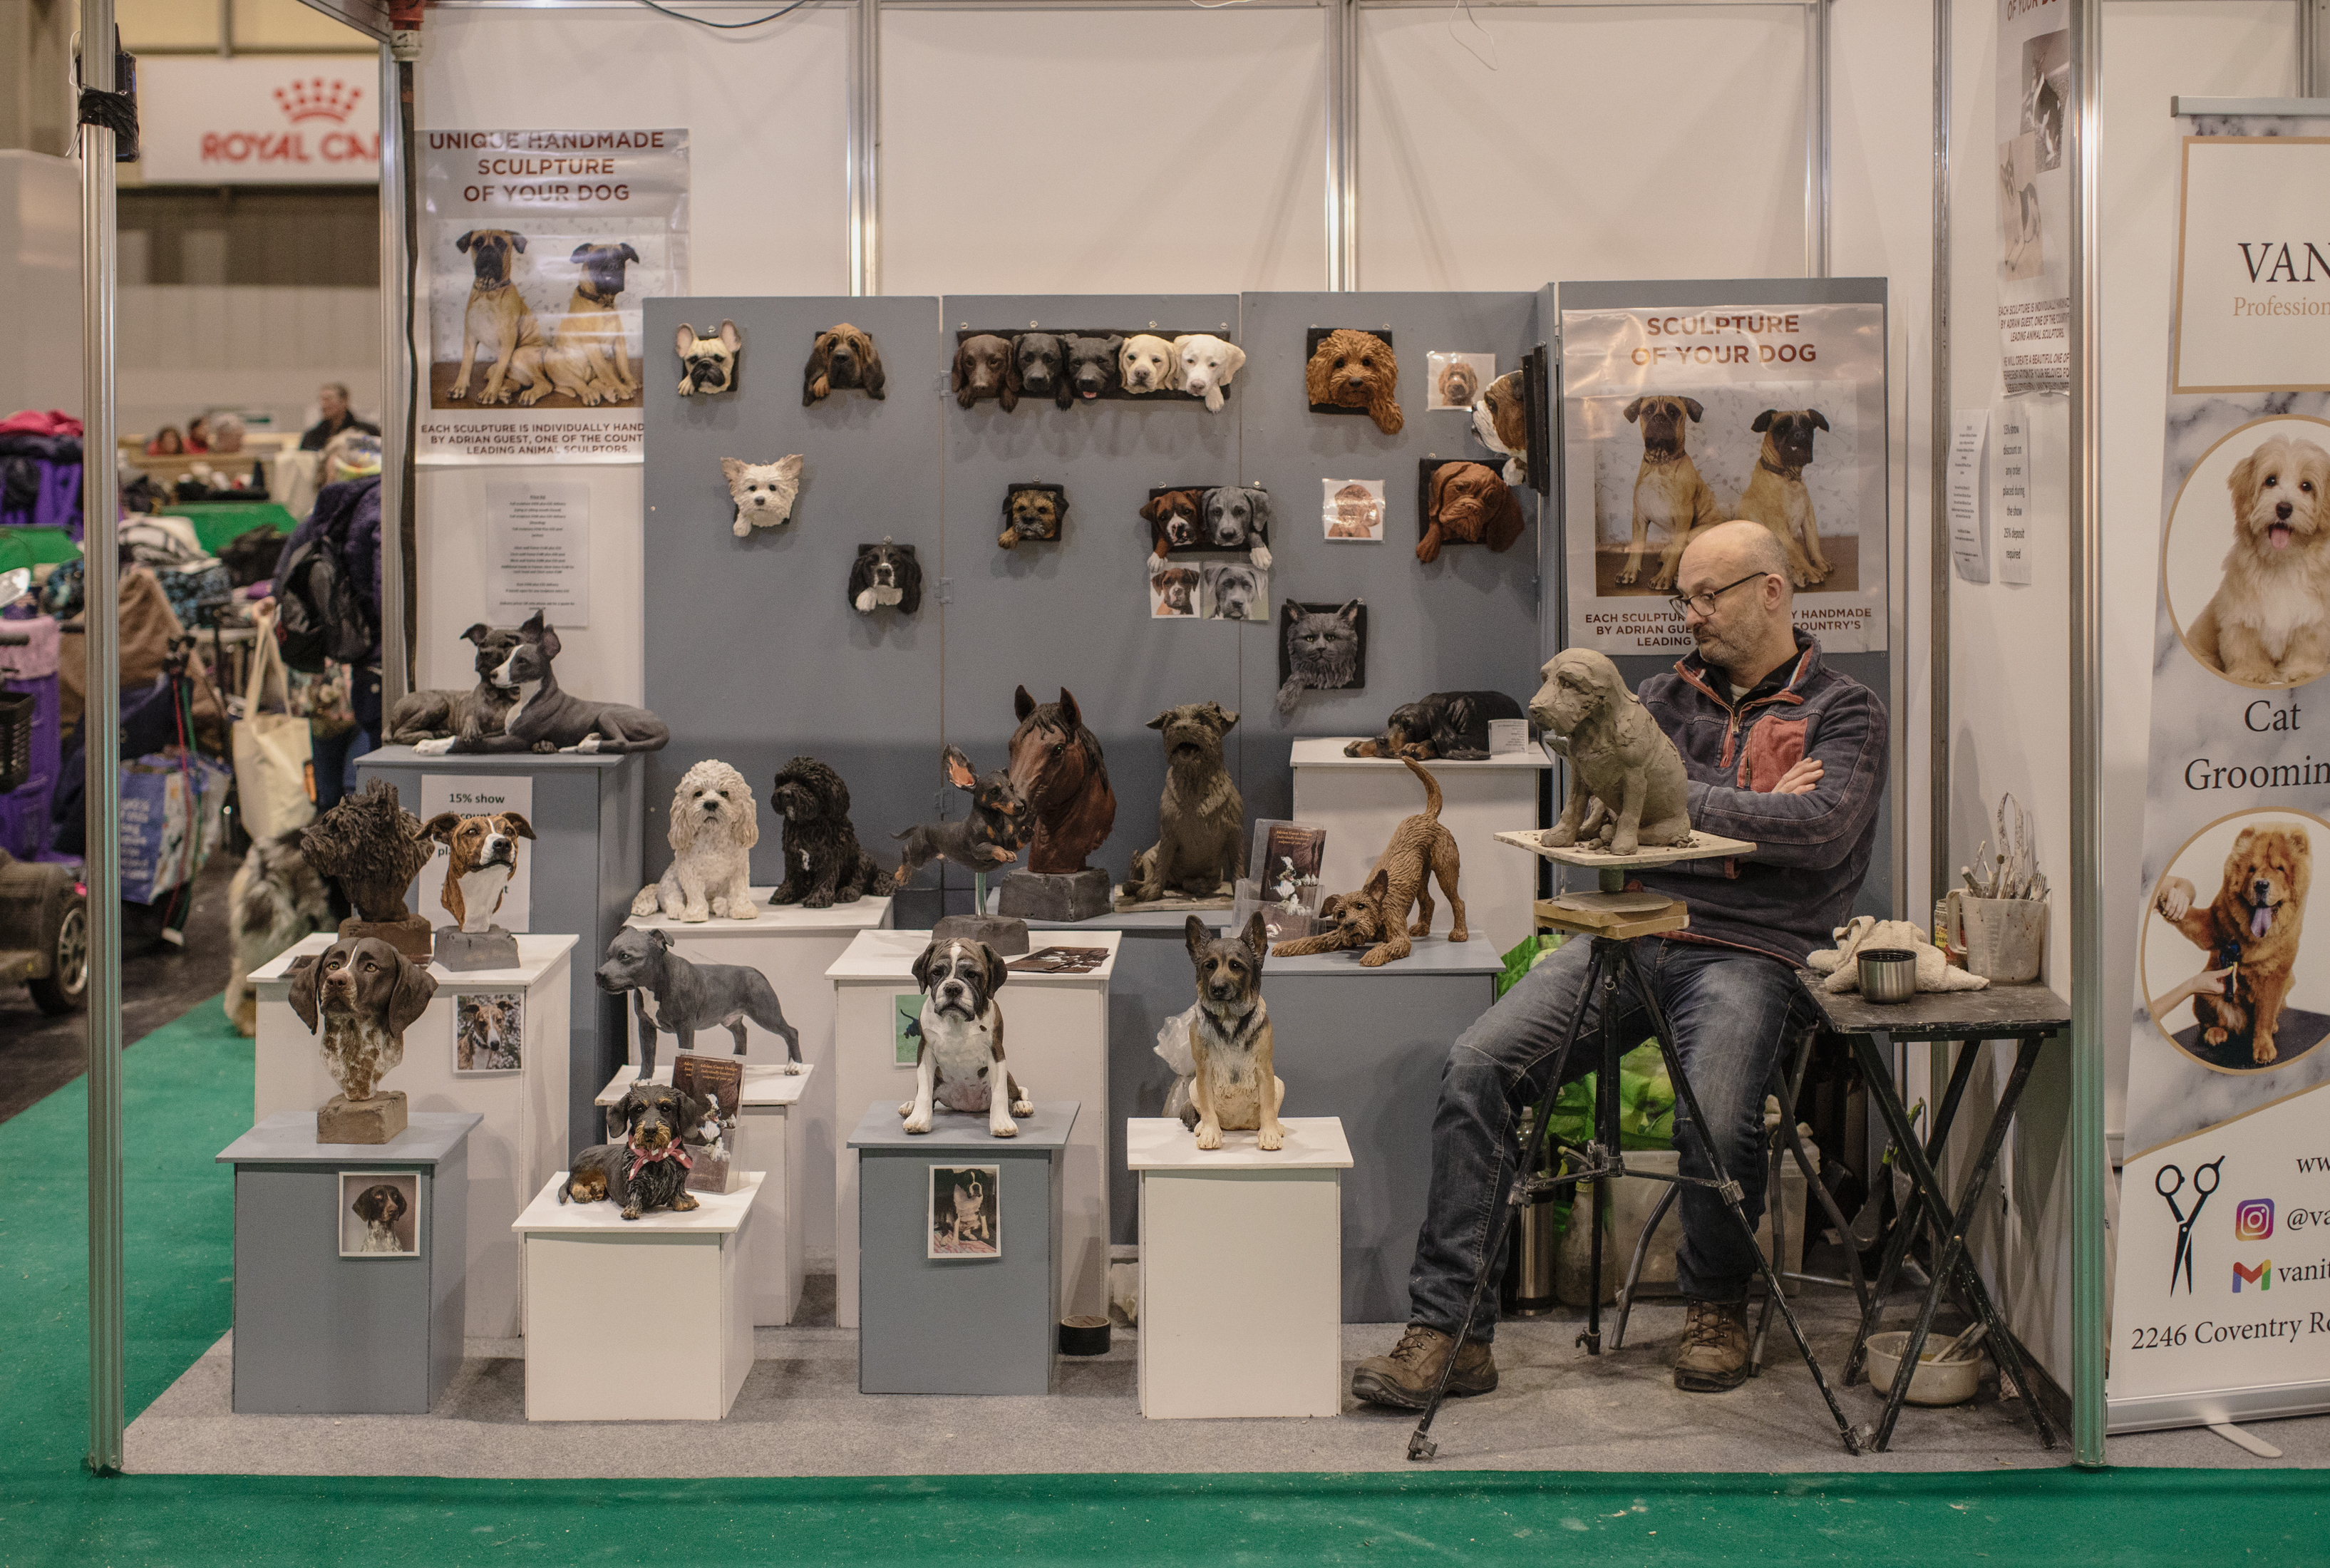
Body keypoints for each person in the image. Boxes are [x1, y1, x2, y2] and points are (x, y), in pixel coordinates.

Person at [1351, 519, 1890, 1408]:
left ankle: (1715, 1306)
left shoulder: (1844, 709)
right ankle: (1449, 1333)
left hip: (1753, 952)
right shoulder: (1657, 697)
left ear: (1772, 590)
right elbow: (1612, 815)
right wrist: (1749, 807)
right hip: (1631, 927)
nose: (1691, 614)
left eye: (1708, 594)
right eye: (1684, 595)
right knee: (1474, 1068)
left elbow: (1823, 832)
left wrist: (1687, 800)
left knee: (1715, 1112)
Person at [299, 382, 378, 451]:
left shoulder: (368, 432)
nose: (323, 405)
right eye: (321, 400)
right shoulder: (312, 437)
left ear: (344, 401)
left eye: (328, 399)